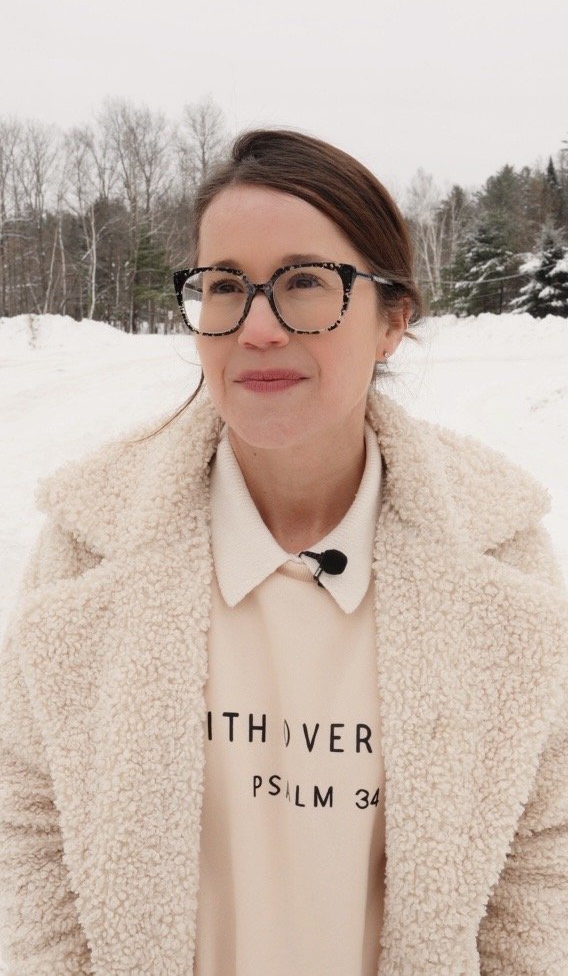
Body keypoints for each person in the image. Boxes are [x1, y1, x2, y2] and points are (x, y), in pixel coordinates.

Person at [0, 128, 567, 976]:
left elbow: (542, 852)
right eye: (225, 286)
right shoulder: (90, 550)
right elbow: (29, 821)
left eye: (305, 281)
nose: (257, 327)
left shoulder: (499, 562)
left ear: (392, 321)